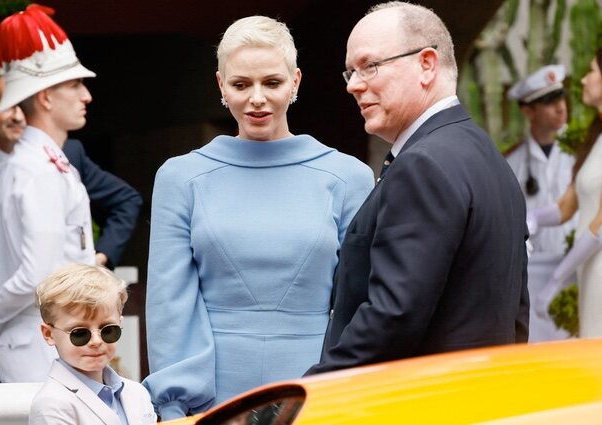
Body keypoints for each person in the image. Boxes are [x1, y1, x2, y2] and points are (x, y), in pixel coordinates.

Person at [144, 15, 374, 420]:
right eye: (241, 84)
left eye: (271, 82)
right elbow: (170, 301)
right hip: (212, 397)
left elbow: (362, 301)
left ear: (296, 82)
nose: (257, 99)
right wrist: (176, 405)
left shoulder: (348, 177)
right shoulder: (180, 177)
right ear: (220, 86)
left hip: (321, 390)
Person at [306, 2, 529, 376]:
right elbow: (516, 312)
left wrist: (309, 394)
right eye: (350, 71)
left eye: (369, 66)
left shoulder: (423, 164)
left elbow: (393, 316)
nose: (353, 85)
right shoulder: (484, 154)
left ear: (426, 64)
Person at [0, 74, 142, 382]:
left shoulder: (64, 158)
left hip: (53, 329)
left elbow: (125, 200)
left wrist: (97, 262)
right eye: (11, 104)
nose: (18, 115)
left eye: (23, 104)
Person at [0, 4, 98, 382]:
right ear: (46, 98)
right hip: (40, 344)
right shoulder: (35, 166)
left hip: (51, 338)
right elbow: (39, 276)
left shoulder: (45, 160)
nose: (86, 95)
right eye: (74, 85)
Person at [529, 48, 602, 338]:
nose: (584, 80)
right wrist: (531, 216)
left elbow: (600, 225)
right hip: (589, 269)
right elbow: (565, 207)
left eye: (592, 71)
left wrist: (556, 278)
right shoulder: (595, 136)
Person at [30, 263, 156, 425]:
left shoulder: (138, 393)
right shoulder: (51, 405)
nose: (96, 341)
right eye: (80, 333)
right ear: (48, 334)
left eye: (108, 330)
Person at [504, 65, 575, 341]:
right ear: (528, 111)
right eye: (549, 102)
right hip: (533, 278)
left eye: (561, 98)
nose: (560, 108)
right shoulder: (511, 162)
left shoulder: (583, 151)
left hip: (575, 266)